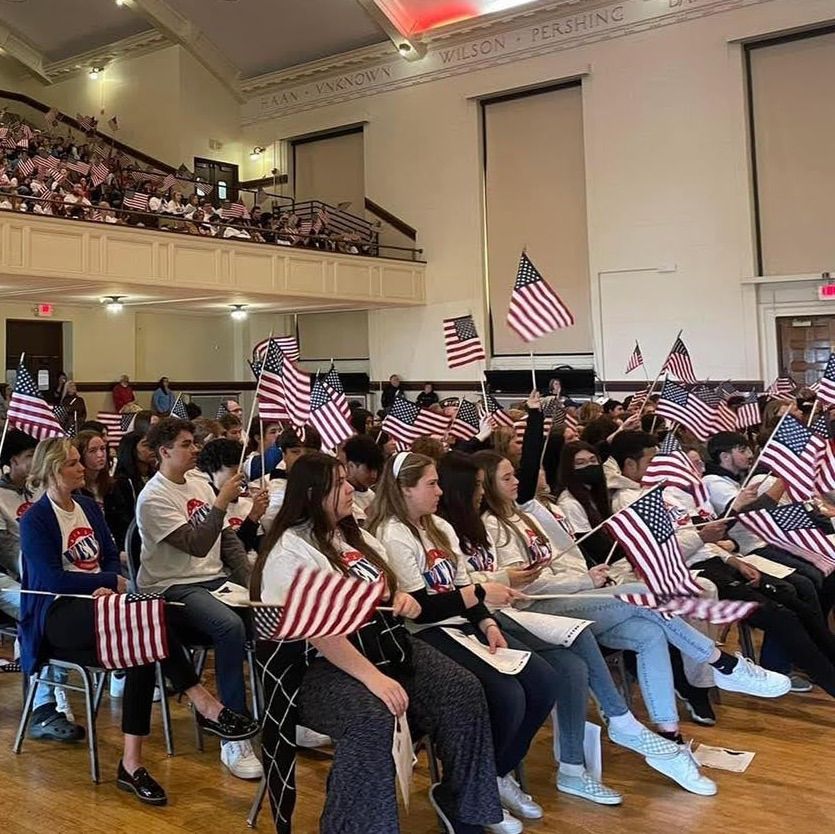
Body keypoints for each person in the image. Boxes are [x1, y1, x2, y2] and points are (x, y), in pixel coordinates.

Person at [252, 452, 508, 834]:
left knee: (463, 689)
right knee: (373, 715)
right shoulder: (291, 550)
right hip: (313, 667)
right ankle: (351, 826)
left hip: (382, 645)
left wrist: (400, 597)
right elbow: (319, 632)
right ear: (311, 493)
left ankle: (463, 807)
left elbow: (390, 591)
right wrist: (374, 678)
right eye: (338, 483)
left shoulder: (355, 536)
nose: (350, 488)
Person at [437, 451, 699, 804]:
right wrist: (575, 583)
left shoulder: (513, 518)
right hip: (514, 612)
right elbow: (494, 585)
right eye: (500, 480)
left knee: (627, 638)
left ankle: (590, 763)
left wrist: (581, 580)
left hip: (530, 605)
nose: (518, 482)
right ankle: (706, 669)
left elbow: (530, 571)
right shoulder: (476, 526)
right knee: (635, 605)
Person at [19, 437, 259, 804]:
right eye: (72, 463)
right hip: (56, 612)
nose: (82, 467)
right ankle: (203, 704)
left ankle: (133, 764)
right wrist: (103, 583)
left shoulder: (86, 505)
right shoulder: (36, 518)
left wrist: (109, 583)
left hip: (106, 608)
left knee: (142, 644)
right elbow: (51, 579)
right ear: (53, 471)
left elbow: (112, 557)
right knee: (144, 624)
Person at [368, 451, 558, 826]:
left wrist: (487, 622)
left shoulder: (439, 527)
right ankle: (466, 788)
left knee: (544, 681)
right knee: (508, 695)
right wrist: (480, 595)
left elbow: (463, 586)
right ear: (405, 489)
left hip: (464, 625)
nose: (440, 491)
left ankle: (492, 776)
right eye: (431, 484)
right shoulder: (391, 534)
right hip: (425, 633)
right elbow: (422, 607)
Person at [135, 418, 262, 780]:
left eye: (194, 443)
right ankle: (230, 730)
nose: (196, 450)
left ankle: (282, 714)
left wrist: (253, 586)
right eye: (187, 444)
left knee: (274, 619)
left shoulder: (198, 482)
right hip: (171, 586)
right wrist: (222, 502)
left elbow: (228, 544)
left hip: (214, 580)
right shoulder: (154, 497)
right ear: (164, 452)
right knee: (228, 626)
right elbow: (196, 544)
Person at [196, 438, 269, 557]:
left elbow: (260, 546)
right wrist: (253, 517)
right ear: (213, 470)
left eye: (242, 471)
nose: (241, 477)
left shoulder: (247, 503)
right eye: (234, 472)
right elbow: (229, 553)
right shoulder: (205, 508)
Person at [104, 431, 156, 556]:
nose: (152, 448)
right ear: (131, 449)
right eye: (145, 445)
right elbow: (122, 522)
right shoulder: (121, 483)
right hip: (135, 543)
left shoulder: (156, 476)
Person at [343, 434, 383, 522]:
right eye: (368, 469)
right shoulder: (342, 498)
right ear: (351, 466)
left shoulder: (374, 497)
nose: (374, 475)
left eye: (376, 469)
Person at [74, 430, 110, 507]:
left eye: (103, 448)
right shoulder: (74, 490)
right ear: (80, 455)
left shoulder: (114, 486)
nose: (100, 455)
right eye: (92, 451)